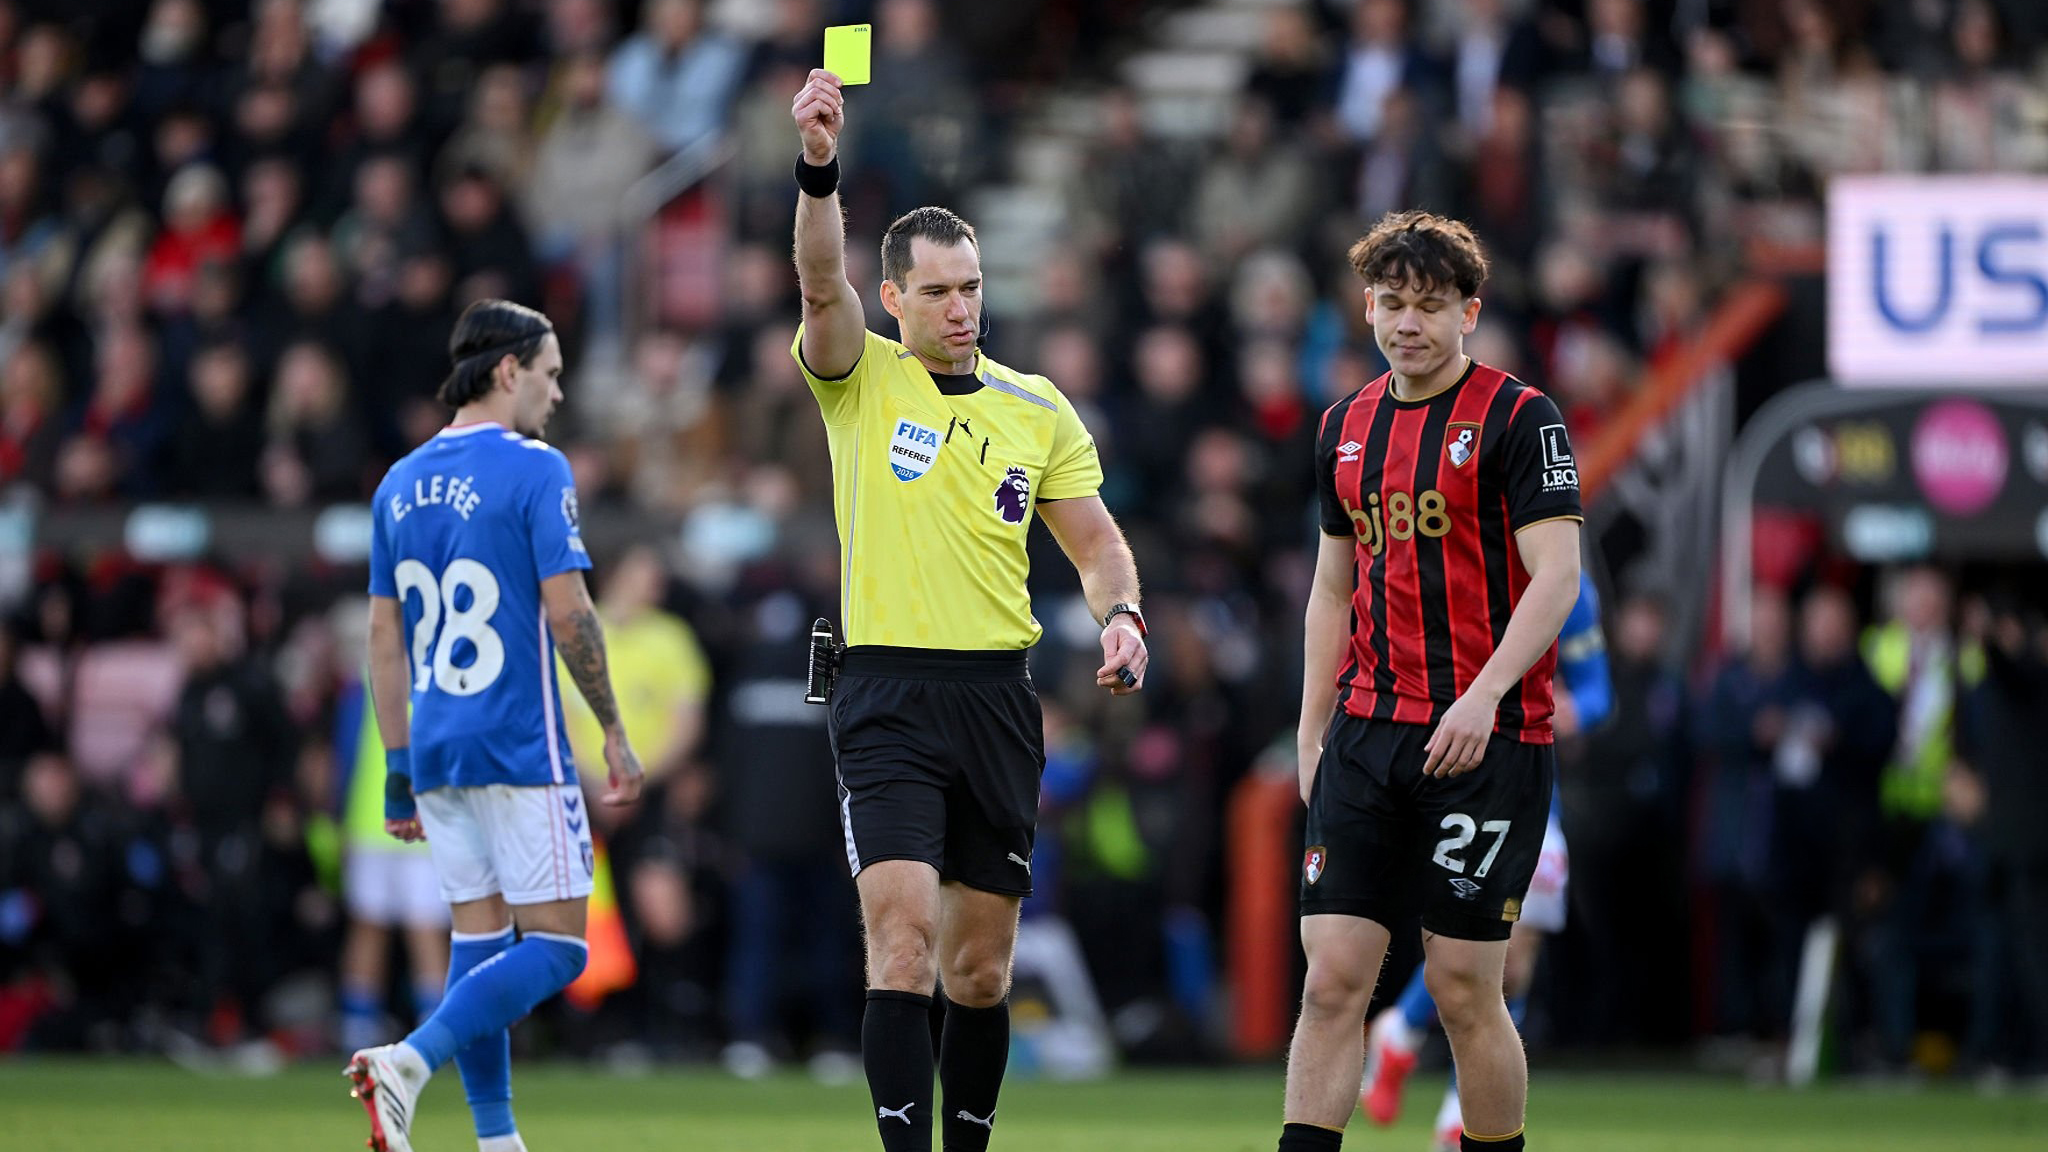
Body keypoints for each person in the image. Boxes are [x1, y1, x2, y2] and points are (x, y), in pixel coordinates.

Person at [788, 70, 1150, 1152]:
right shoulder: (859, 376)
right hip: (887, 692)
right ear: (893, 297)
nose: (960, 309)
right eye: (938, 291)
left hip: (996, 696)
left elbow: (1092, 541)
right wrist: (817, 165)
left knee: (978, 968)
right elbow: (816, 281)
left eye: (972, 288)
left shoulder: (1035, 407)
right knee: (898, 945)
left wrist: (1122, 613)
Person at [1281, 210, 1583, 1152]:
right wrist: (1310, 728)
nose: (1406, 322)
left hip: (1488, 740)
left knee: (1463, 990)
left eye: (1429, 305)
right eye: (1390, 302)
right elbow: (1333, 588)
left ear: (1469, 313)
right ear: (1367, 307)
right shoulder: (1344, 428)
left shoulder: (1520, 418)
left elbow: (1559, 576)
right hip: (1368, 734)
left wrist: (1485, 693)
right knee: (1331, 979)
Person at [344, 299, 645, 1152]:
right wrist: (614, 730)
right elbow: (570, 614)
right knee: (559, 949)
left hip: (436, 744)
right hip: (517, 739)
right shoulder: (536, 469)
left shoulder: (397, 484)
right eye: (549, 374)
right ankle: (409, 1059)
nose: (556, 393)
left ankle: (496, 1140)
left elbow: (382, 637)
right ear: (508, 370)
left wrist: (400, 766)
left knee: (479, 943)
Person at [1361, 572, 1613, 1150]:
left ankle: (1425, 1063)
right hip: (1453, 779)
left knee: (1514, 958)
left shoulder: (1567, 584)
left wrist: (1575, 709)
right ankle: (1422, 1057)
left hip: (1529, 785)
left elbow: (1599, 691)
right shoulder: (1452, 561)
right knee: (1472, 950)